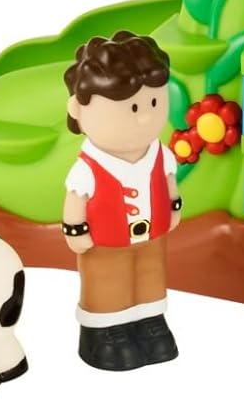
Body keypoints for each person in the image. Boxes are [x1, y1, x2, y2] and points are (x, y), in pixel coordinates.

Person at [61, 31, 182, 372]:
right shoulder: (88, 169)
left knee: (150, 274)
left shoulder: (159, 154)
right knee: (107, 280)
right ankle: (106, 330)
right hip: (105, 243)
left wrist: (173, 205)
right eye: (132, 107)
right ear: (78, 110)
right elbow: (75, 202)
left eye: (153, 103)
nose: (144, 117)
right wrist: (75, 230)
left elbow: (169, 182)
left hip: (152, 237)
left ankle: (149, 319)